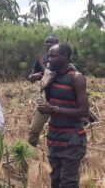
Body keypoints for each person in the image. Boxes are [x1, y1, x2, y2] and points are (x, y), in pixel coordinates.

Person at [38, 43, 89, 188]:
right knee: (55, 180)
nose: (49, 59)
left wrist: (53, 109)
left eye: (53, 56)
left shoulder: (76, 78)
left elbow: (84, 111)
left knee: (68, 183)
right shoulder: (51, 77)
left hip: (72, 140)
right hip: (54, 138)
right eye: (49, 55)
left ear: (65, 57)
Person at [27, 35, 59, 147]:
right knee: (34, 128)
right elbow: (31, 77)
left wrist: (43, 66)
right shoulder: (42, 59)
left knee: (60, 130)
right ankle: (32, 150)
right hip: (47, 98)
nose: (49, 44)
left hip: (62, 100)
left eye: (52, 42)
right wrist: (33, 76)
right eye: (47, 42)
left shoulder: (64, 60)